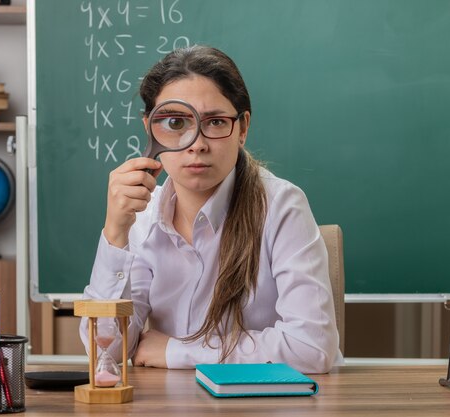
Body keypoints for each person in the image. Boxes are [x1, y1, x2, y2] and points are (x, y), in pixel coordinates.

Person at [80, 45, 342, 374]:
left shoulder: (281, 206)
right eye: (176, 122)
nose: (197, 143)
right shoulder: (142, 219)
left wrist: (176, 350)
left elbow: (311, 348)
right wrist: (115, 234)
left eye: (216, 122)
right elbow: (106, 352)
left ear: (243, 128)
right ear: (150, 128)